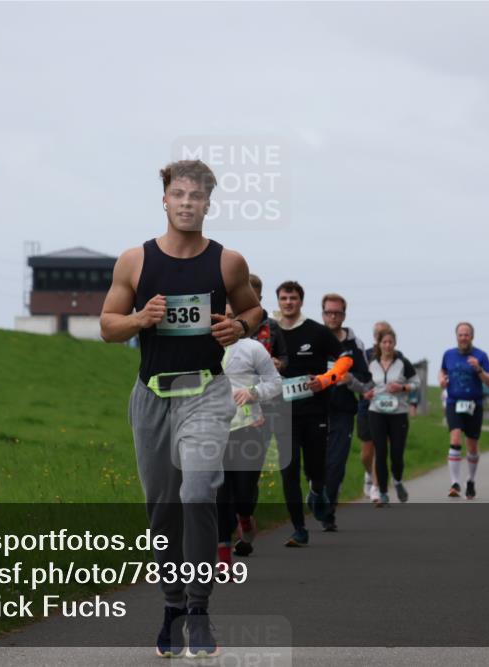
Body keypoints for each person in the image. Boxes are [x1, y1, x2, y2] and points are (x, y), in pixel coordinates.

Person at [100, 159, 262, 658]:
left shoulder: (227, 262)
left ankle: (199, 607)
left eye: (197, 196)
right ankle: (171, 605)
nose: (187, 202)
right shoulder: (135, 261)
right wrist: (139, 319)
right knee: (163, 507)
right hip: (151, 395)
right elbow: (108, 325)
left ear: (209, 203)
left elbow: (255, 309)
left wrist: (242, 327)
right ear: (165, 200)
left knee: (197, 491)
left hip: (206, 394)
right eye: (179, 194)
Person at [275, 280, 345, 546]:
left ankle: (317, 491)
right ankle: (298, 529)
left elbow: (344, 358)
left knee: (315, 469)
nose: (288, 302)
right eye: (284, 298)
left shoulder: (316, 331)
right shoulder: (270, 332)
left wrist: (327, 379)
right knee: (288, 469)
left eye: (293, 298)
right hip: (282, 412)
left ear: (301, 301)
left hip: (315, 411)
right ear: (279, 301)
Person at [216, 305, 282, 562]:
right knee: (220, 495)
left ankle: (245, 518)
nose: (226, 323)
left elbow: (274, 383)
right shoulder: (198, 350)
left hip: (248, 428)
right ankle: (223, 560)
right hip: (213, 431)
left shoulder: (252, 348)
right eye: (221, 317)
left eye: (232, 318)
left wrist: (253, 392)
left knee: (243, 495)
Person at [238, 274, 288, 552]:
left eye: (252, 294)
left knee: (249, 471)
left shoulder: (272, 327)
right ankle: (226, 533)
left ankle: (245, 515)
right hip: (228, 411)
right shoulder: (224, 325)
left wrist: (279, 363)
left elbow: (286, 360)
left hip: (264, 408)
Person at [319, 293, 370, 531]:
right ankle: (317, 495)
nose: (333, 316)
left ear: (344, 315)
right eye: (329, 312)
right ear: (323, 314)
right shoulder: (314, 338)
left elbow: (367, 381)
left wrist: (349, 380)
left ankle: (328, 512)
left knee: (336, 463)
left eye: (337, 313)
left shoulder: (353, 345)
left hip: (342, 412)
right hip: (314, 410)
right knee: (315, 463)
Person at [438, 322, 489, 500]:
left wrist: (479, 369)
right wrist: (441, 379)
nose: (463, 338)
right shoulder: (449, 354)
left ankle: (470, 480)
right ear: (456, 336)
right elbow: (442, 370)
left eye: (466, 335)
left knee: (472, 446)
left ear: (472, 337)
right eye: (460, 334)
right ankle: (455, 483)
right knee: (455, 438)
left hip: (474, 404)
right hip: (454, 402)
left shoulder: (481, 355)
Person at [363, 327, 418, 506]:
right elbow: (365, 384)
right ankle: (383, 491)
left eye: (390, 342)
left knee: (396, 454)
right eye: (384, 342)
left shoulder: (403, 363)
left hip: (398, 413)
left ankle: (398, 481)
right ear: (379, 344)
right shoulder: (371, 363)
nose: (387, 345)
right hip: (376, 411)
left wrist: (402, 388)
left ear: (395, 344)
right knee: (380, 451)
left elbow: (416, 383)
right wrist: (367, 392)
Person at [360, 321, 392, 503]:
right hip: (367, 406)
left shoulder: (398, 357)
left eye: (386, 334)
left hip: (388, 408)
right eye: (379, 334)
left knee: (380, 449)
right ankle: (368, 474)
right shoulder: (365, 355)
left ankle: (376, 488)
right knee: (366, 453)